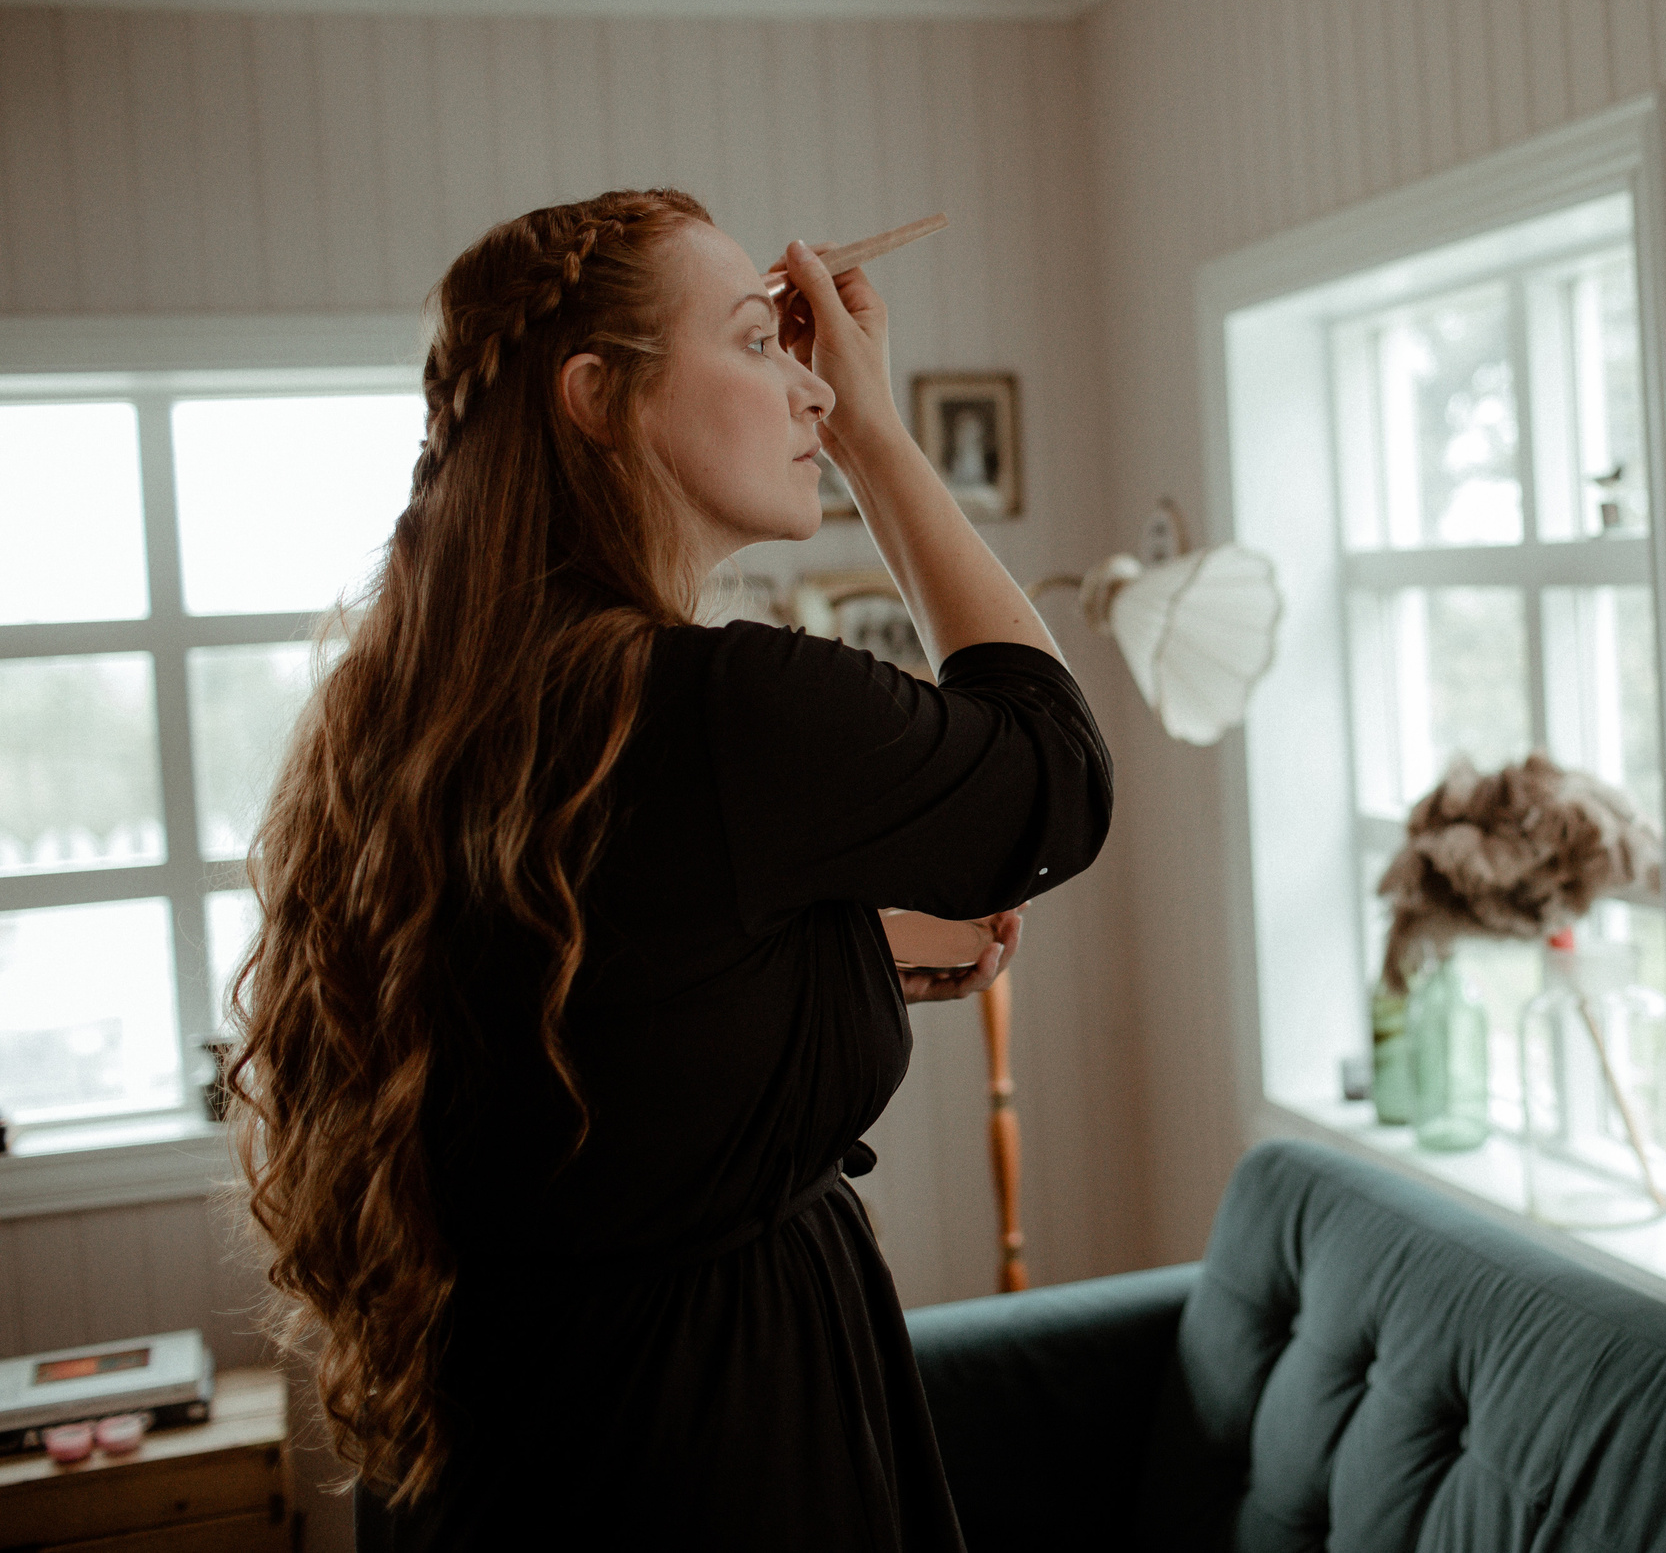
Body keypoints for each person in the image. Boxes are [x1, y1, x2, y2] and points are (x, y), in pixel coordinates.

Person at [225, 189, 1111, 1547]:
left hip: (494, 1457)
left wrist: (832, 962)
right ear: (597, 396)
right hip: (706, 1463)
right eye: (757, 341)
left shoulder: (408, 713)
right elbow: (1055, 778)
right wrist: (879, 438)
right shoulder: (724, 707)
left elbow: (580, 999)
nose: (814, 387)